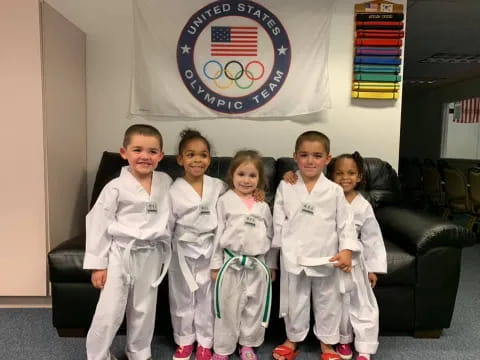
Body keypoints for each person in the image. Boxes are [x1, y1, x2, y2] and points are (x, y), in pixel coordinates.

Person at [83, 124, 172, 360]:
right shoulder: (114, 187)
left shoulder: (166, 182)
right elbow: (98, 224)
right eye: (138, 150)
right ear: (124, 153)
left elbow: (183, 205)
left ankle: (139, 352)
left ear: (161, 156)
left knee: (144, 308)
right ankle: (97, 355)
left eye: (153, 151)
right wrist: (98, 265)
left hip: (151, 254)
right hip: (120, 254)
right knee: (110, 310)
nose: (145, 156)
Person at [272, 131, 361, 360]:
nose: (310, 161)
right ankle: (293, 339)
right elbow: (278, 221)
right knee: (295, 300)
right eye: (304, 155)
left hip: (326, 256)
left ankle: (327, 343)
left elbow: (345, 223)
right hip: (294, 255)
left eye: (317, 155)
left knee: (328, 300)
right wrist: (275, 256)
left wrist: (346, 250)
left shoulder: (334, 190)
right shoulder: (286, 185)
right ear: (295, 157)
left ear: (327, 159)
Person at [210, 150, 277, 360]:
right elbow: (217, 233)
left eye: (252, 176)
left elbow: (271, 237)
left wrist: (271, 265)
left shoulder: (263, 206)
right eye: (241, 174)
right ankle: (222, 348)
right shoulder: (224, 201)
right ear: (232, 175)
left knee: (253, 306)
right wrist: (215, 264)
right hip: (230, 263)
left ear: (260, 179)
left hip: (257, 265)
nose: (246, 180)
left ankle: (248, 345)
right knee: (228, 306)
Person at [168, 129, 226, 360]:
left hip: (210, 247)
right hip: (181, 250)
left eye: (203, 155)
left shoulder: (219, 186)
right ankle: (184, 340)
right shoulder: (173, 189)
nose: (197, 160)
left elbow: (237, 203)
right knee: (181, 296)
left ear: (209, 159)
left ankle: (205, 342)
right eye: (190, 155)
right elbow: (167, 223)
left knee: (208, 296)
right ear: (180, 159)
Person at [328, 152, 387, 360]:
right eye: (340, 173)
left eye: (351, 173)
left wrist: (372, 268)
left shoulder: (363, 205)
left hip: (356, 263)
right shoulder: (327, 197)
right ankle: (344, 341)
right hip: (334, 261)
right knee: (339, 304)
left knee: (362, 304)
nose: (345, 177)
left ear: (360, 176)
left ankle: (365, 347)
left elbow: (372, 238)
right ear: (331, 176)